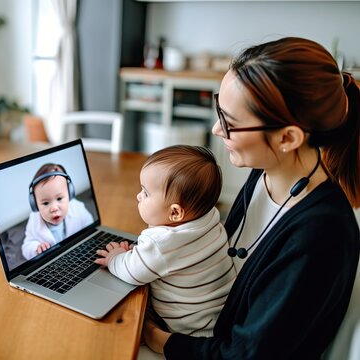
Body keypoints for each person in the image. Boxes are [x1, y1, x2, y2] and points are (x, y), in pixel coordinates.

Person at [143, 37, 360, 359]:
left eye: (231, 122)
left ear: (287, 137)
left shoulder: (321, 234)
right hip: (202, 327)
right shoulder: (265, 172)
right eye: (220, 112)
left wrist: (154, 336)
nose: (217, 129)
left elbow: (244, 354)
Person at [95, 145, 236, 336]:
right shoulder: (209, 216)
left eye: (145, 193)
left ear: (175, 212)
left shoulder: (162, 243)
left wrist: (115, 257)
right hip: (218, 315)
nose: (138, 196)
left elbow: (132, 272)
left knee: (123, 324)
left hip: (189, 328)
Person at [21, 163, 94, 260]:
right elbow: (26, 247)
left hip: (78, 255)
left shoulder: (77, 208)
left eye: (59, 198)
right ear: (35, 204)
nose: (54, 208)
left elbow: (90, 226)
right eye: (46, 203)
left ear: (70, 193)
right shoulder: (34, 221)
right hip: (53, 262)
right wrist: (36, 248)